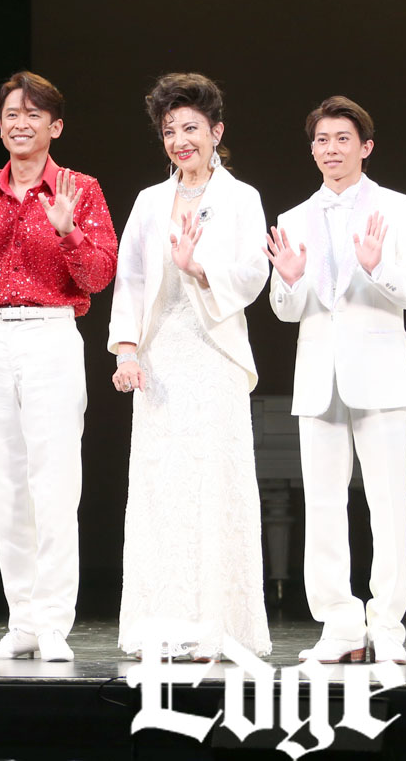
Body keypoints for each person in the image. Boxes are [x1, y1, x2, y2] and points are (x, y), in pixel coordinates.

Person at [0, 71, 117, 662]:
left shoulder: (81, 189)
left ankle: (54, 623)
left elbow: (98, 276)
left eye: (33, 114)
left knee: (53, 484)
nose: (20, 124)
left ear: (55, 126)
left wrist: (69, 232)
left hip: (52, 334)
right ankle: (23, 622)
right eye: (11, 114)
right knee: (7, 484)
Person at [107, 72, 272, 661]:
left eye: (191, 128)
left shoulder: (241, 198)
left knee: (214, 485)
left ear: (216, 132)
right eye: (170, 130)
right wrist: (127, 349)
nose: (181, 140)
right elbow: (130, 278)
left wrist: (199, 268)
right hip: (162, 360)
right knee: (162, 488)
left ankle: (214, 628)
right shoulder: (150, 202)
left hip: (215, 354)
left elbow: (253, 273)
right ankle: (162, 624)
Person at [265, 96, 406, 664]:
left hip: (380, 374)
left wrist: (378, 267)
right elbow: (285, 309)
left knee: (388, 504)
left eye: (342, 139)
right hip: (318, 377)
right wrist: (289, 281)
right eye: (322, 140)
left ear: (366, 147)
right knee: (322, 506)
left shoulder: (400, 209)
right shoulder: (293, 218)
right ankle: (339, 625)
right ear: (312, 149)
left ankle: (387, 625)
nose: (331, 149)